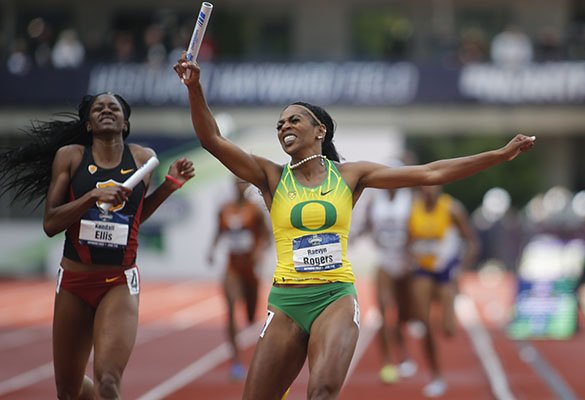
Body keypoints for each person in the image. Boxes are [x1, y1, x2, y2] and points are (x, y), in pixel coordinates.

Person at [173, 58, 535, 400]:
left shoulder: (349, 176)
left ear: (320, 130)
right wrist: (195, 89)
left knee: (323, 392)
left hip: (334, 298)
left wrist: (498, 156)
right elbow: (212, 141)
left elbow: (430, 173)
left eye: (294, 120)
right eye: (280, 123)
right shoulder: (271, 176)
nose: (284, 126)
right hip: (286, 301)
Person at [0, 92, 195, 399]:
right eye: (98, 109)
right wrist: (91, 197)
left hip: (118, 281)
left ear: (125, 122)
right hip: (74, 282)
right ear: (88, 124)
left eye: (113, 108)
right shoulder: (71, 157)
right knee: (69, 390)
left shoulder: (143, 159)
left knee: (108, 382)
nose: (106, 110)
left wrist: (170, 185)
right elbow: (51, 224)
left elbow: (135, 218)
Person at [407, 184, 480, 397]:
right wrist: (412, 256)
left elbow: (472, 242)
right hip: (422, 270)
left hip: (446, 271)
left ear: (440, 187)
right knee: (425, 324)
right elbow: (407, 241)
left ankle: (443, 311)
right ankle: (436, 375)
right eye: (425, 186)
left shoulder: (452, 209)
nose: (429, 190)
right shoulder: (413, 209)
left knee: (448, 330)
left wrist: (461, 270)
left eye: (433, 186)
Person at [355, 160, 417, 384]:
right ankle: (387, 361)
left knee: (404, 314)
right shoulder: (375, 200)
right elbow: (366, 225)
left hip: (405, 260)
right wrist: (351, 237)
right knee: (383, 310)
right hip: (384, 259)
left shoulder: (410, 199)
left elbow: (416, 227)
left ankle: (404, 354)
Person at [207, 177, 270, 380]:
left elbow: (267, 236)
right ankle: (235, 361)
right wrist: (212, 249)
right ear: (232, 185)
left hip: (250, 268)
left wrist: (259, 251)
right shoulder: (225, 208)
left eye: (244, 183)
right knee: (231, 309)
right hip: (232, 266)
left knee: (251, 315)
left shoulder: (255, 210)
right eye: (237, 183)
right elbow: (218, 231)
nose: (240, 187)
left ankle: (254, 356)